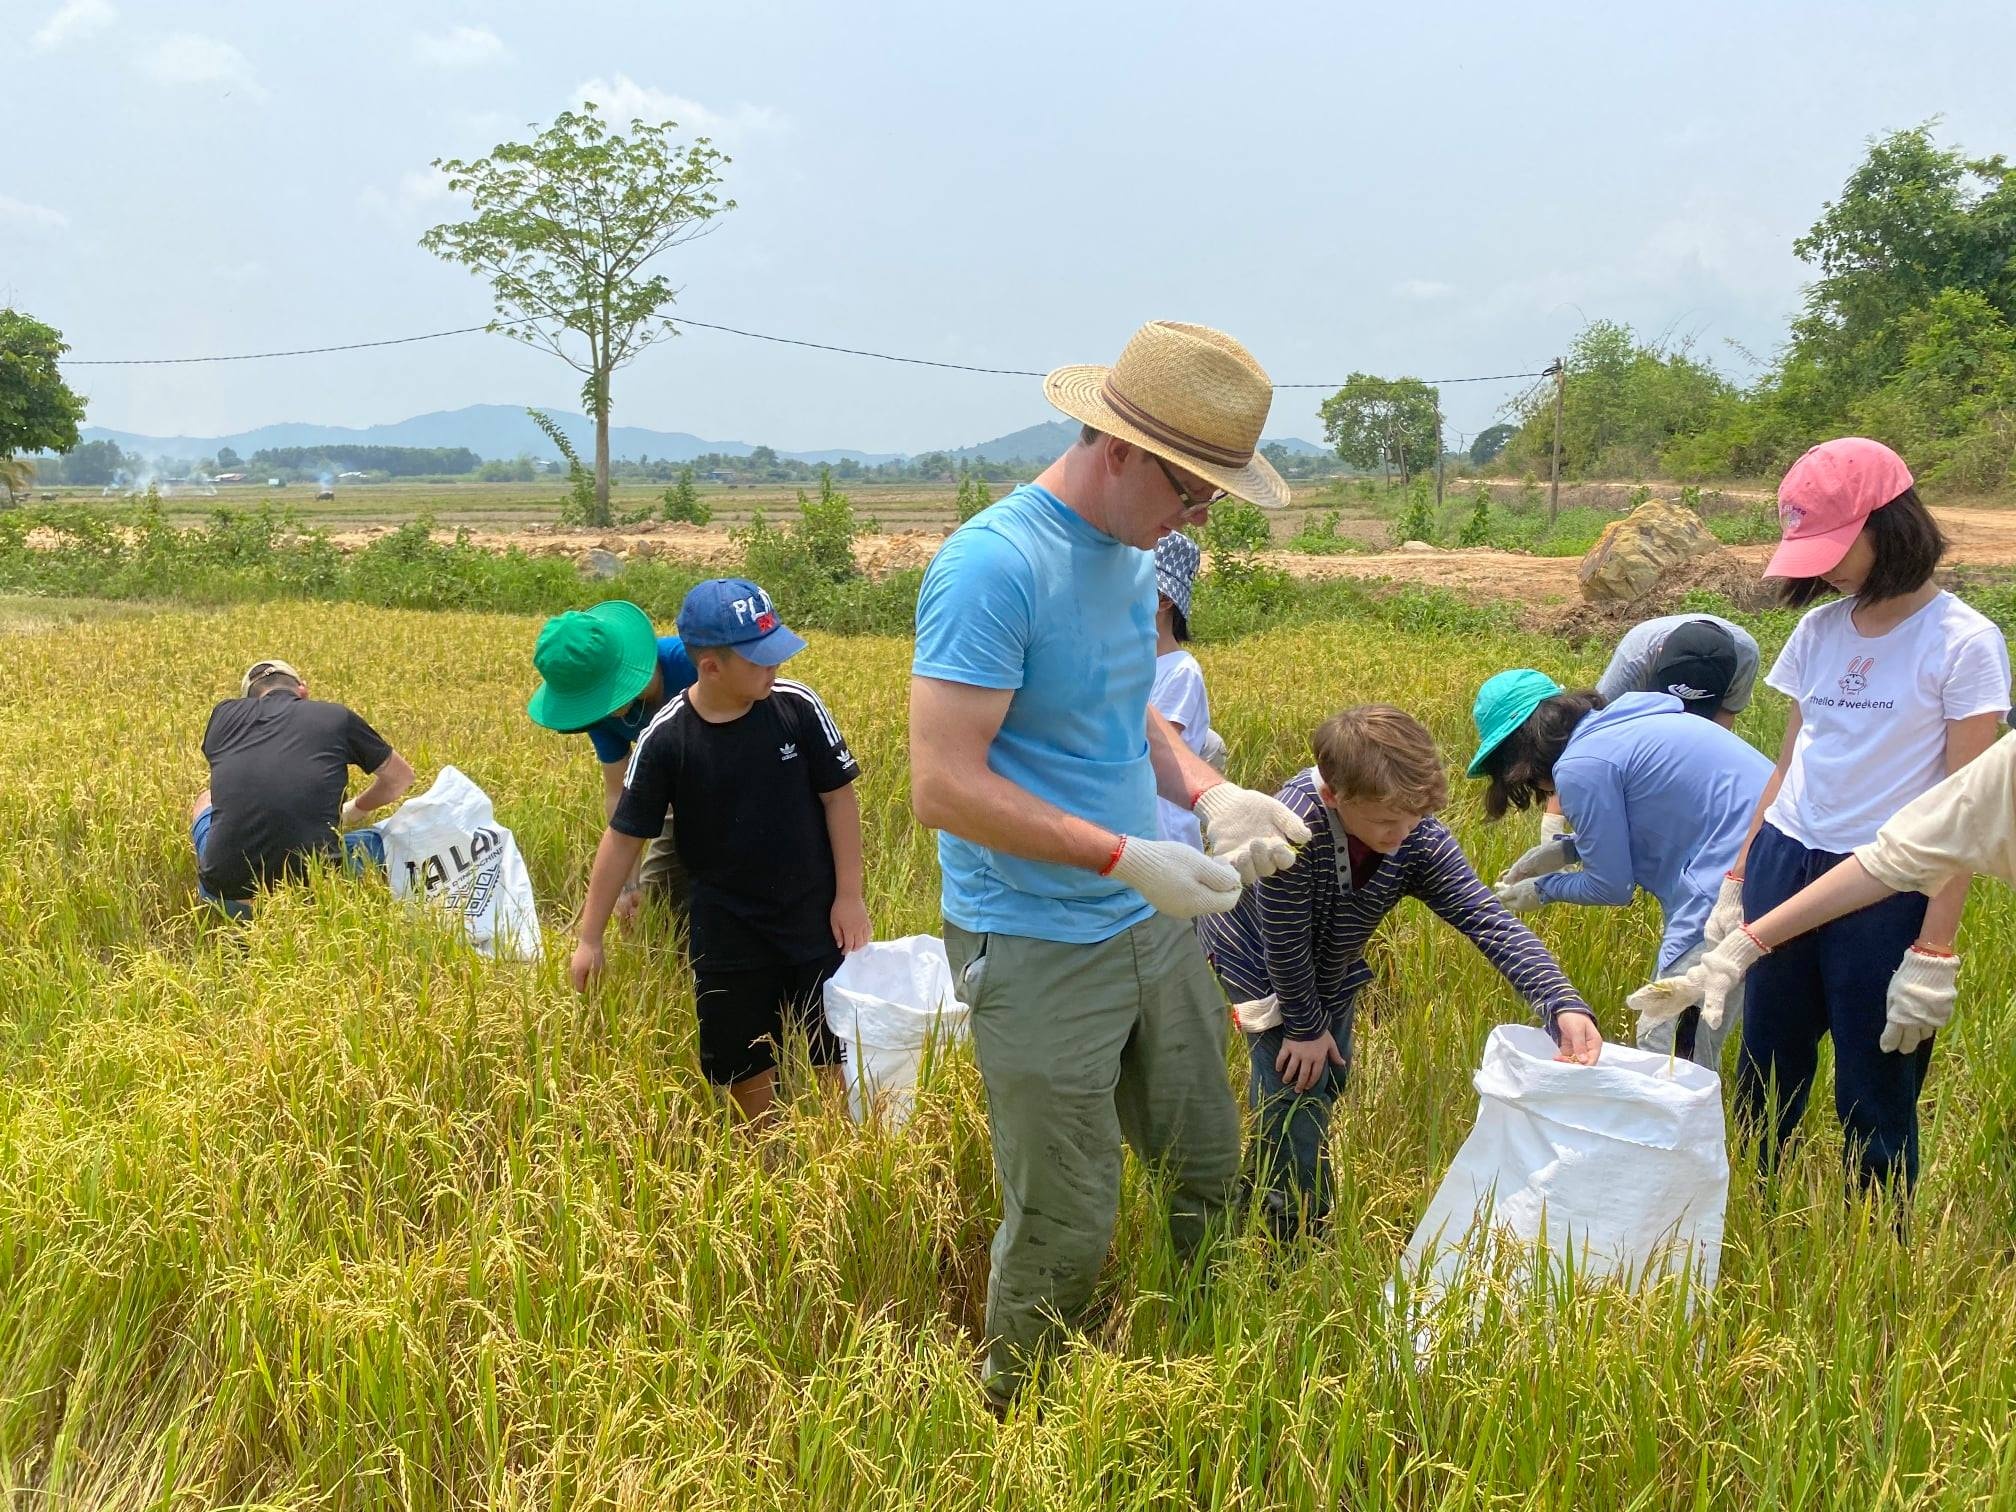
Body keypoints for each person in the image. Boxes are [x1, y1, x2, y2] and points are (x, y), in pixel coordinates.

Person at [909, 320, 1312, 1407]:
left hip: (1145, 925)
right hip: (1037, 936)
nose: (1196, 519)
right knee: (1067, 1212)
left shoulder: (1131, 562)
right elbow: (944, 782)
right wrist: (1126, 855)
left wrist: (1208, 792)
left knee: (1207, 1166)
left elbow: (1122, 712)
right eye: (1191, 492)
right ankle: (1019, 1420)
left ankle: (1209, 1368)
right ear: (1119, 446)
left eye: (1214, 501)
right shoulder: (994, 566)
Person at [1641, 438, 2008, 1195]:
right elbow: (1789, 763)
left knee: (1876, 1085)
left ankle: (1874, 1237)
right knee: (1763, 1069)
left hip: (1887, 883)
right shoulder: (1819, 632)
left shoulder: (1964, 642)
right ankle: (1749, 1208)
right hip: (1786, 859)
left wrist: (1933, 951)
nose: (1828, 568)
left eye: (1839, 546)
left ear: (1893, 524)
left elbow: (1968, 809)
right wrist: (1740, 877)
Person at [1201, 704, 1603, 1236]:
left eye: (1414, 817)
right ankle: (1290, 1233)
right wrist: (1303, 1028)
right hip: (1257, 958)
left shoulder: (1416, 837)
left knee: (1330, 1076)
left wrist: (1562, 1002)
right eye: (1387, 821)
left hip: (1328, 962)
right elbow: (1284, 940)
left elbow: (1487, 920)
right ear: (1334, 797)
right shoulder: (1290, 828)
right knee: (1296, 1087)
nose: (1403, 833)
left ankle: (1271, 1179)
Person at [570, 579, 867, 1122]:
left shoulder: (797, 708)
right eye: (760, 659)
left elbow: (838, 799)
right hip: (726, 930)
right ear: (710, 667)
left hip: (812, 917)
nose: (775, 667)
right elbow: (623, 835)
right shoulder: (666, 738)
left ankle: (836, 1152)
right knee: (743, 1063)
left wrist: (850, 896)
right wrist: (590, 937)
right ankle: (767, 1157)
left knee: (833, 1050)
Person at [1643, 729, 2015, 1055]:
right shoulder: (2006, 762)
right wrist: (1738, 949)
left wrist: (1933, 949)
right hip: (1791, 847)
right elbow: (1894, 859)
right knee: (1767, 1063)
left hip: (1868, 894)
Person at [1474, 669, 1772, 1069]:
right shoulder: (1633, 724)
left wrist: (1544, 889)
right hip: (1789, 866)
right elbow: (1657, 818)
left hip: (1730, 886)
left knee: (1666, 1042)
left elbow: (1611, 886)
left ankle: (1679, 1130)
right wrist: (1568, 851)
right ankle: (1761, 1129)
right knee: (1774, 1038)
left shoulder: (1582, 765)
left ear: (1519, 753)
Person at [192, 658, 414, 916]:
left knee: (205, 799)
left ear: (248, 700)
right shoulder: (336, 716)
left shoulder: (223, 715)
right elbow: (400, 777)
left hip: (225, 894)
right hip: (317, 890)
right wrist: (353, 811)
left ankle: (234, 913)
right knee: (384, 838)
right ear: (303, 690)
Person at [528, 600, 699, 923]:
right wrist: (627, 883)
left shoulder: (689, 663)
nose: (599, 709)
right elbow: (620, 794)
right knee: (658, 902)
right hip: (679, 795)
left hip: (742, 785)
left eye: (599, 694)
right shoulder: (604, 716)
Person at [1148, 531, 1220, 849]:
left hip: (1166, 835)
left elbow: (1151, 750)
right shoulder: (1130, 663)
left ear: (1165, 600)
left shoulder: (1181, 671)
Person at [1596, 614, 1760, 728]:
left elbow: (1723, 719)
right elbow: (1599, 723)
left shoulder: (1744, 658)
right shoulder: (1635, 659)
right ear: (1660, 651)